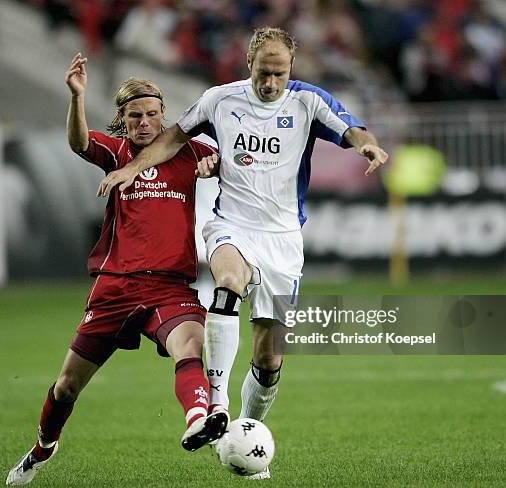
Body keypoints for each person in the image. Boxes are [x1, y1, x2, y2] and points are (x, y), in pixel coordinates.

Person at [96, 27, 389, 479]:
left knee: (269, 361)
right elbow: (173, 137)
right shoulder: (220, 100)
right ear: (248, 64)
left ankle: (243, 434)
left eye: (279, 73)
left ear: (290, 69)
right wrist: (130, 169)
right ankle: (217, 402)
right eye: (262, 73)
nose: (270, 83)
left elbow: (350, 127)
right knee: (228, 283)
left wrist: (366, 143)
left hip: (283, 240)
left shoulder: (307, 101)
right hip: (231, 224)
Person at [6, 53, 227, 486]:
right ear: (122, 120)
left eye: (151, 114)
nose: (144, 123)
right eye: (134, 116)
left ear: (164, 114)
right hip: (116, 287)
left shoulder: (188, 150)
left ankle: (198, 418)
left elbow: (222, 160)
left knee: (191, 346)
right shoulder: (117, 152)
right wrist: (77, 97)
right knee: (67, 386)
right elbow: (77, 143)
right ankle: (42, 449)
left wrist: (212, 164)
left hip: (170, 287)